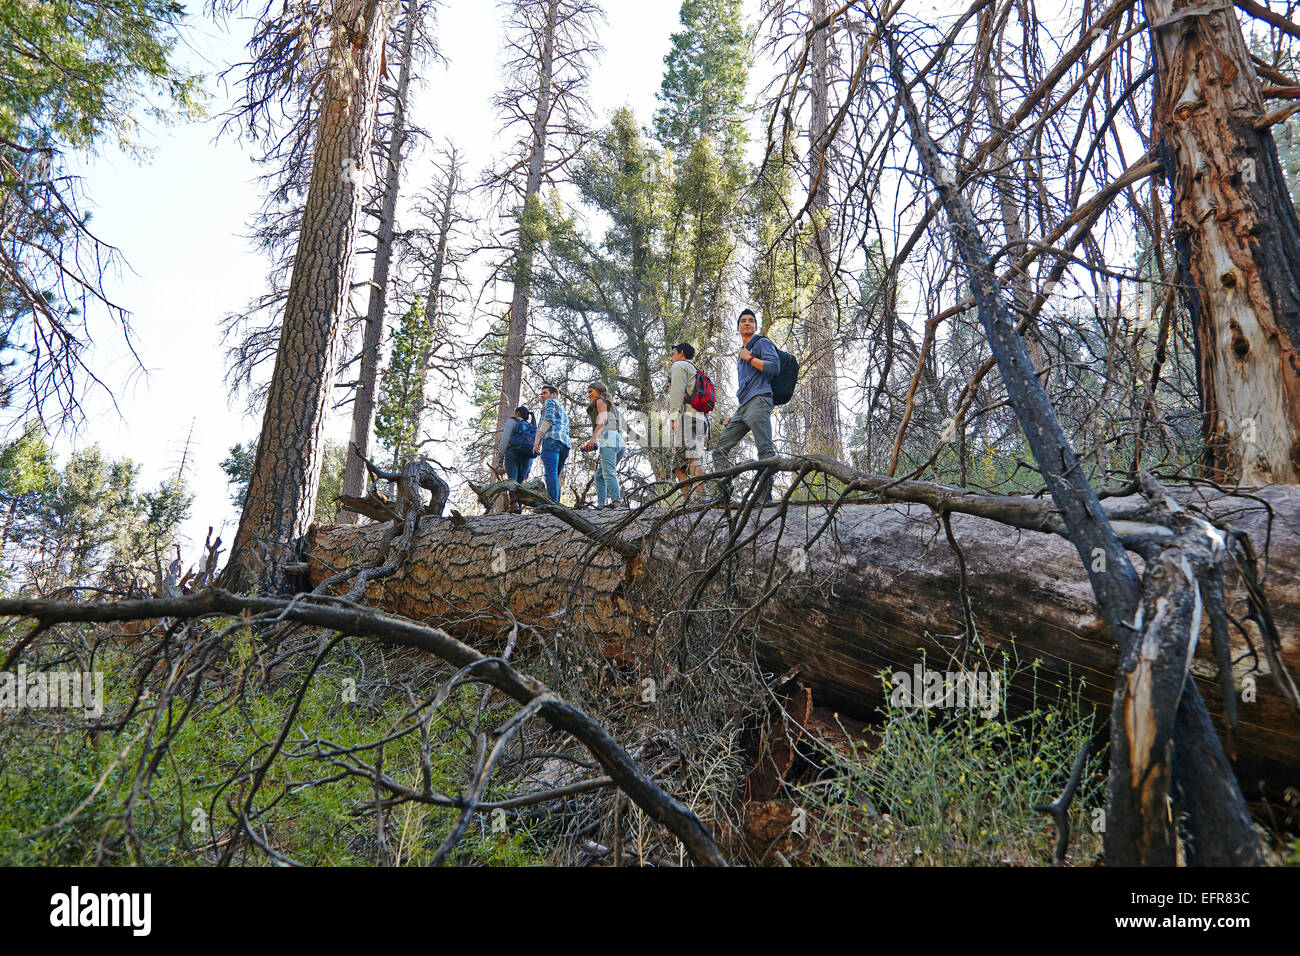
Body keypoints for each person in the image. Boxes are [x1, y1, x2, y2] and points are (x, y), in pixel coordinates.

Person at [713, 308, 779, 502]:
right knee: (719, 449)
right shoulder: (740, 353)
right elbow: (746, 386)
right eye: (743, 321)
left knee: (765, 449)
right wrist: (736, 413)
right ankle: (724, 496)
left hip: (760, 400)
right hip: (745, 406)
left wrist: (748, 357)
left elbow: (774, 367)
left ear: (755, 326)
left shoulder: (762, 343)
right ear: (738, 327)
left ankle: (765, 497)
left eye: (751, 320)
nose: (747, 323)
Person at [667, 342, 708, 500]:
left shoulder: (680, 366)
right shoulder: (695, 369)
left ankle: (702, 499)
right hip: (700, 418)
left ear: (681, 353)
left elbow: (677, 392)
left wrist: (674, 416)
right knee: (678, 466)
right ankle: (688, 503)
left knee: (692, 457)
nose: (672, 359)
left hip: (688, 418)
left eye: (673, 355)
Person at [580, 381, 626, 509]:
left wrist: (593, 439)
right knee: (599, 476)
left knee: (608, 472)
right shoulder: (612, 405)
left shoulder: (600, 401)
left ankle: (616, 503)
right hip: (620, 441)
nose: (589, 395)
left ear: (599, 391)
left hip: (608, 438)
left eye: (591, 392)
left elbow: (602, 420)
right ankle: (601, 506)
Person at [533, 383, 571, 503]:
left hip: (551, 441)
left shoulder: (550, 402)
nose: (542, 396)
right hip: (565, 445)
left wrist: (537, 440)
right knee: (555, 475)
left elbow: (548, 419)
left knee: (550, 473)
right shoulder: (563, 412)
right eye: (541, 394)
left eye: (545, 393)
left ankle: (552, 504)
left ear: (553, 395)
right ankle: (557, 504)